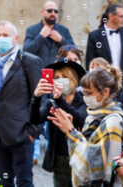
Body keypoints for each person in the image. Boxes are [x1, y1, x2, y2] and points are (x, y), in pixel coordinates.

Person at [0, 20, 43, 187]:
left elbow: (40, 98)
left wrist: (32, 132)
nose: (1, 38)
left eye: (5, 35)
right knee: (2, 182)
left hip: (21, 135)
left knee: (24, 182)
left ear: (15, 38)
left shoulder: (29, 62)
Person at [49, 65, 123, 187]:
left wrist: (71, 132)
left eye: (89, 93)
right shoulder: (94, 115)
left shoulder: (113, 121)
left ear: (105, 91)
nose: (86, 97)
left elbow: (96, 167)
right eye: (84, 93)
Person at [31, 57, 87, 187]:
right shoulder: (51, 101)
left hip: (82, 154)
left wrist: (60, 100)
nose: (60, 80)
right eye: (56, 77)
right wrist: (36, 97)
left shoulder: (83, 99)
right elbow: (35, 118)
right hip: (61, 157)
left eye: (64, 76)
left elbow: (80, 118)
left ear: (73, 79)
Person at [85, 4, 123, 86]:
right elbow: (90, 62)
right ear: (111, 16)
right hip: (102, 83)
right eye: (121, 16)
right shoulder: (95, 36)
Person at [24, 1, 75, 66]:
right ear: (42, 12)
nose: (53, 13)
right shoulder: (32, 30)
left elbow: (74, 50)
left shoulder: (64, 30)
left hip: (59, 71)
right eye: (49, 10)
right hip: (38, 72)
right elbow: (26, 51)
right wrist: (41, 36)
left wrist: (61, 40)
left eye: (55, 11)